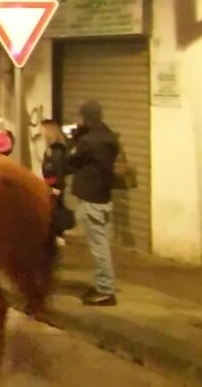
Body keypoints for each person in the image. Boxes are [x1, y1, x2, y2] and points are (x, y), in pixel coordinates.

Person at [68, 100, 120, 306]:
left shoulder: (89, 141)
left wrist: (74, 140)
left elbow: (72, 161)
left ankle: (105, 290)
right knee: (102, 244)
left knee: (99, 248)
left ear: (86, 117)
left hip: (90, 198)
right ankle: (102, 284)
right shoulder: (110, 138)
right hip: (103, 197)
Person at [40, 119, 75, 241]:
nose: (41, 131)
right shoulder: (51, 148)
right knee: (54, 208)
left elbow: (59, 169)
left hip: (54, 184)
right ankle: (57, 234)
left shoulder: (57, 149)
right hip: (50, 183)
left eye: (43, 128)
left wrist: (57, 187)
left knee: (55, 209)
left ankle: (58, 234)